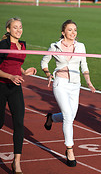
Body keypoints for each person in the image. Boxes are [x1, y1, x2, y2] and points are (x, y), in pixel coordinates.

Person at [41, 19, 95, 167]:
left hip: (75, 84)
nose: (73, 33)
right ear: (63, 32)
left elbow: (84, 65)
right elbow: (44, 62)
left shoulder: (81, 46)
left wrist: (88, 81)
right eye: (70, 30)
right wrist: (48, 74)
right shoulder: (55, 46)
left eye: (75, 30)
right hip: (60, 83)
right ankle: (70, 149)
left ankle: (51, 118)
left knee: (71, 115)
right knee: (68, 117)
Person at [0, 17, 37, 174]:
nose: (19, 30)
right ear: (8, 30)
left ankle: (16, 162)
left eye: (20, 27)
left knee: (19, 124)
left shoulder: (23, 45)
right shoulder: (2, 45)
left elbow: (17, 65)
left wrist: (24, 71)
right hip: (1, 87)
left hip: (15, 88)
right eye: (15, 27)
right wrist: (10, 77)